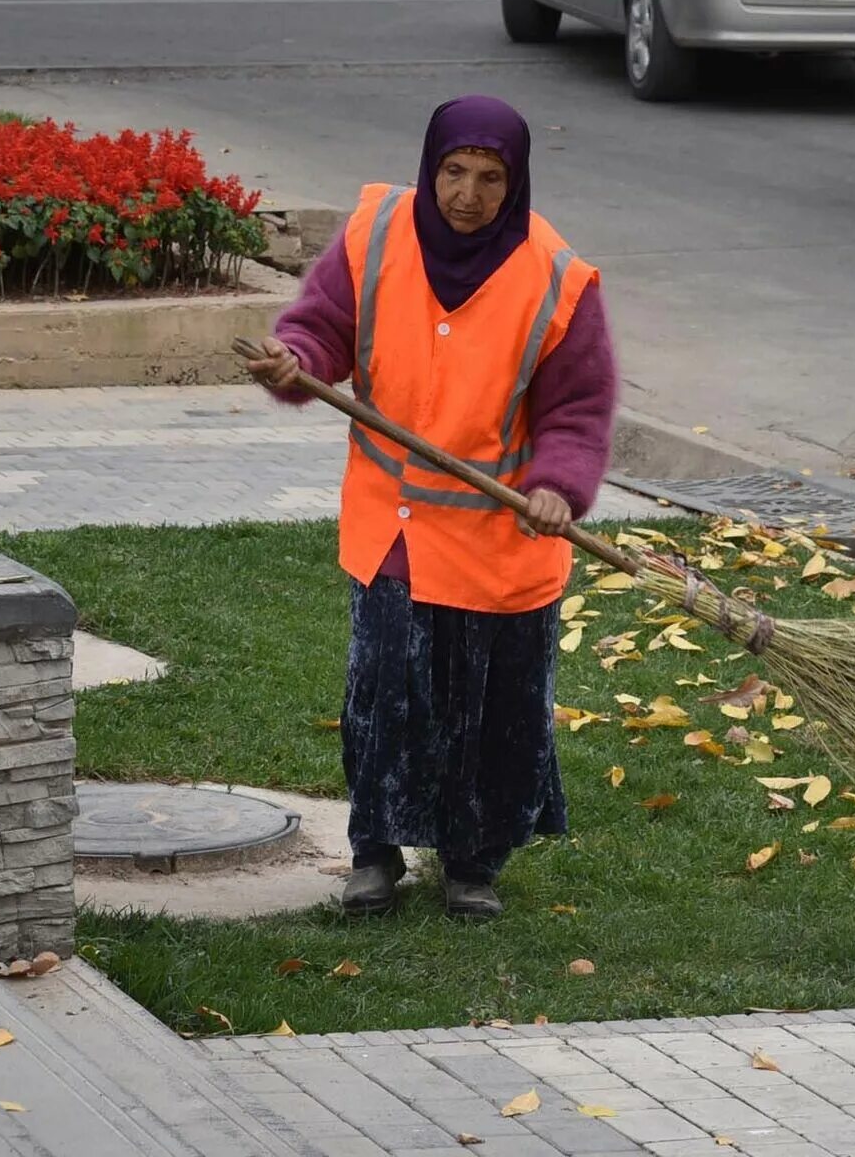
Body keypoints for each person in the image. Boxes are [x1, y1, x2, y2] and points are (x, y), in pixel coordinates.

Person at [244, 96, 617, 921]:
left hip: (497, 545)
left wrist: (557, 485)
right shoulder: (375, 236)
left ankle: (471, 863)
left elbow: (577, 410)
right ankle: (374, 852)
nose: (467, 195)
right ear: (429, 167)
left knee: (487, 710)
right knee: (385, 695)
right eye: (453, 172)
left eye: (490, 178)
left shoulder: (556, 280)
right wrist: (294, 359)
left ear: (515, 184)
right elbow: (324, 328)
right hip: (395, 529)